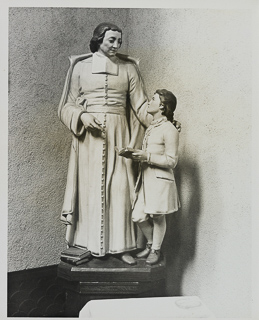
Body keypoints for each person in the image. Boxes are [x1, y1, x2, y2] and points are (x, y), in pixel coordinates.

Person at [58, 22, 151, 265]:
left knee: (121, 190)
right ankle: (89, 245)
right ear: (99, 39)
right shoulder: (81, 68)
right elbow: (66, 106)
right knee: (90, 190)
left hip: (120, 136)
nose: (116, 45)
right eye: (111, 40)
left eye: (119, 40)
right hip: (89, 139)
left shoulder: (129, 68)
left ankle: (123, 247)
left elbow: (141, 105)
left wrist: (164, 121)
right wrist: (82, 116)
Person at [131, 89, 180, 265]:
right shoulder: (152, 126)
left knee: (158, 216)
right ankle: (151, 244)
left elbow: (172, 161)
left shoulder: (169, 129)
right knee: (138, 216)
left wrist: (147, 157)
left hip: (160, 181)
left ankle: (155, 250)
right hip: (146, 179)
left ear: (161, 105)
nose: (149, 102)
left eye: (153, 99)